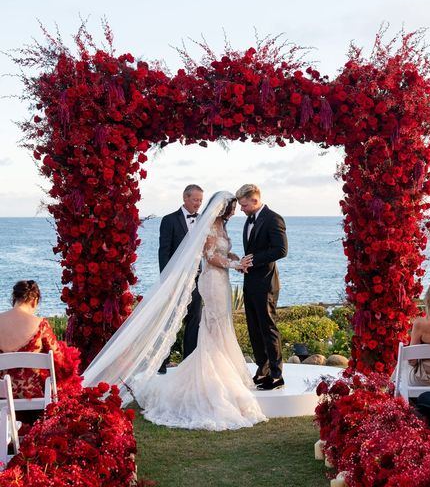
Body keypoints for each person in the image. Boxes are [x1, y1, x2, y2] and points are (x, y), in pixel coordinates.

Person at [82, 192, 268, 431]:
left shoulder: (221, 224)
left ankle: (225, 369)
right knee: (213, 324)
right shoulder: (210, 223)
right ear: (222, 208)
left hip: (222, 281)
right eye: (232, 208)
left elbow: (221, 251)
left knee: (220, 324)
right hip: (212, 281)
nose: (235, 211)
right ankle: (210, 373)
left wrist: (233, 257)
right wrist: (235, 264)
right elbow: (209, 256)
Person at [235, 184, 288, 391]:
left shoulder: (274, 218)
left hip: (266, 283)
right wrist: (245, 263)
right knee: (254, 328)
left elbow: (281, 250)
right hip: (251, 281)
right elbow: (253, 250)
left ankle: (277, 375)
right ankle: (262, 369)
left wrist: (254, 260)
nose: (241, 209)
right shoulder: (249, 221)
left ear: (255, 200)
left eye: (244, 204)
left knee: (268, 327)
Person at [0, 280, 81, 403]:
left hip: (3, 394)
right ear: (34, 301)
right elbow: (59, 360)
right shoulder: (40, 324)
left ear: (14, 299)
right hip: (34, 395)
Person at [158, 184, 204, 372]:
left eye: (201, 201)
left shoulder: (203, 220)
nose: (198, 204)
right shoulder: (169, 220)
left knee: (195, 319)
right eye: (195, 200)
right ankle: (161, 361)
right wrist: (167, 281)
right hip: (176, 280)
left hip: (198, 278)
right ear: (185, 198)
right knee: (170, 320)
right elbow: (164, 252)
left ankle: (188, 363)